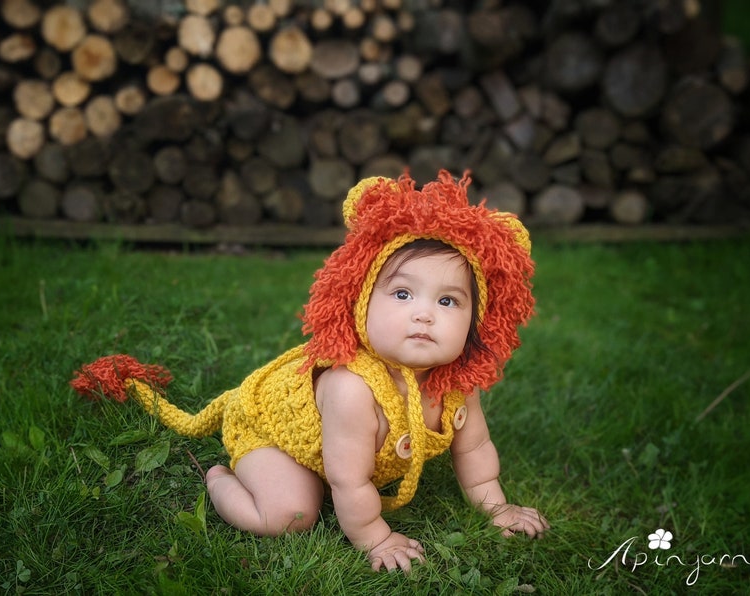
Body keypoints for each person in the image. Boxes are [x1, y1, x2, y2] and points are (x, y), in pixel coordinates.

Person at [71, 171, 550, 573]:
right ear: (361, 301)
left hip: (336, 453)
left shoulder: (456, 384)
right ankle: (220, 478)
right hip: (272, 431)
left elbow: (476, 448)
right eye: (402, 294)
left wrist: (498, 507)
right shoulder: (351, 387)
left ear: (476, 322)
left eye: (448, 301)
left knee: (328, 482)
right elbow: (349, 482)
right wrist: (376, 539)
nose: (424, 314)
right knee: (292, 513)